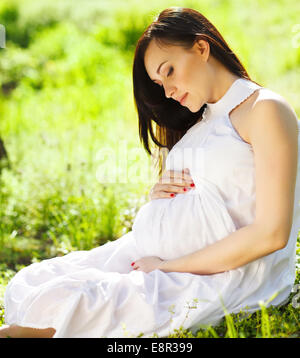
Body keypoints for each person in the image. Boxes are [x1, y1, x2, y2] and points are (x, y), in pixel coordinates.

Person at [0, 7, 299, 338]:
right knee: (33, 283)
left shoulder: (265, 110)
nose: (167, 91)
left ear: (201, 48)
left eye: (168, 71)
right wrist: (162, 197)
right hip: (156, 253)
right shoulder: (204, 119)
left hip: (224, 272)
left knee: (71, 302)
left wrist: (166, 266)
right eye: (159, 82)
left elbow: (271, 234)